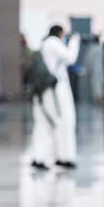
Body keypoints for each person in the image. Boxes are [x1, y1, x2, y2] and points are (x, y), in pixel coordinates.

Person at [30, 25, 80, 170]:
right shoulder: (53, 42)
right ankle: (64, 157)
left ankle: (45, 157)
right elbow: (70, 58)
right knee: (61, 122)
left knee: (46, 123)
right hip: (54, 90)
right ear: (59, 33)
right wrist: (74, 42)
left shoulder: (46, 44)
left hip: (47, 90)